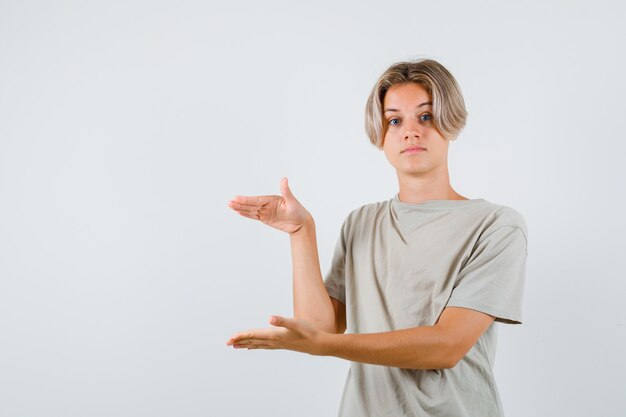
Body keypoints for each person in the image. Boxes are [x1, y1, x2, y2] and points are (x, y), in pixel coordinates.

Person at [226, 58, 528, 417]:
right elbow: (319, 327)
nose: (410, 131)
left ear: (451, 122)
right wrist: (301, 232)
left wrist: (326, 346)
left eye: (426, 116)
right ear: (380, 134)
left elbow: (446, 346)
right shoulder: (361, 223)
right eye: (395, 120)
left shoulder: (496, 226)